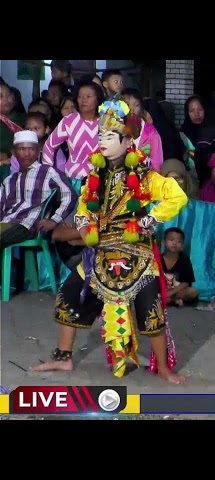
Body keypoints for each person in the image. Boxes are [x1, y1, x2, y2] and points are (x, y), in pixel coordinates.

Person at [31, 98, 188, 383]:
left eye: (109, 136)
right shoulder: (95, 173)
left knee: (151, 313)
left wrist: (149, 221)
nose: (102, 140)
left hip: (136, 252)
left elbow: (177, 196)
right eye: (100, 135)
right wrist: (81, 221)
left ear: (128, 141)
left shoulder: (143, 175)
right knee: (68, 297)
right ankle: (63, 359)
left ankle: (163, 368)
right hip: (100, 251)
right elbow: (83, 206)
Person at [0, 130, 76, 250]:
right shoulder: (8, 180)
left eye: (31, 149)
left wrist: (54, 220)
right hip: (5, 224)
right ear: (14, 153)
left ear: (38, 152)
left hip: (28, 225)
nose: (26, 153)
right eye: (22, 149)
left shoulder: (48, 172)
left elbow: (69, 195)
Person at [162, 227, 199, 307]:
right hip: (162, 291)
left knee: (193, 292)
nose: (175, 243)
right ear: (163, 243)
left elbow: (186, 282)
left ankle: (171, 299)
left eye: (179, 241)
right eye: (171, 240)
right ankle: (172, 300)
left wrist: (171, 293)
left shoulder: (184, 260)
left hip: (177, 291)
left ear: (182, 246)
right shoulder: (158, 259)